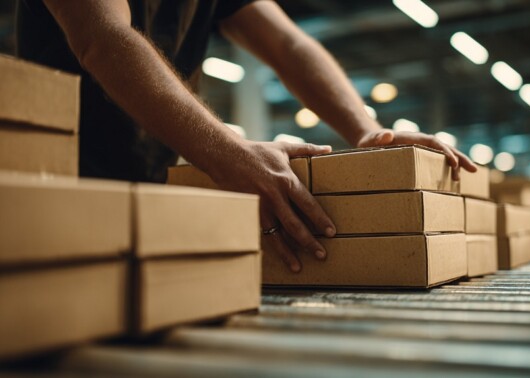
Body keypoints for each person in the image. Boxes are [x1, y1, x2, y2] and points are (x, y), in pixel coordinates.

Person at [16, 0, 476, 272]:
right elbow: (102, 36)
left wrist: (368, 131)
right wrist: (228, 153)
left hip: (148, 190)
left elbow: (286, 43)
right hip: (53, 185)